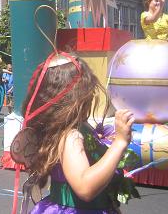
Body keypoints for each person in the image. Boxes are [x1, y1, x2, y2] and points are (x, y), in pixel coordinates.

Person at [10, 53, 138, 213]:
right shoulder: (70, 136)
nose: (92, 95)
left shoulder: (74, 129)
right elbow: (85, 187)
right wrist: (119, 143)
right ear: (75, 96)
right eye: (88, 90)